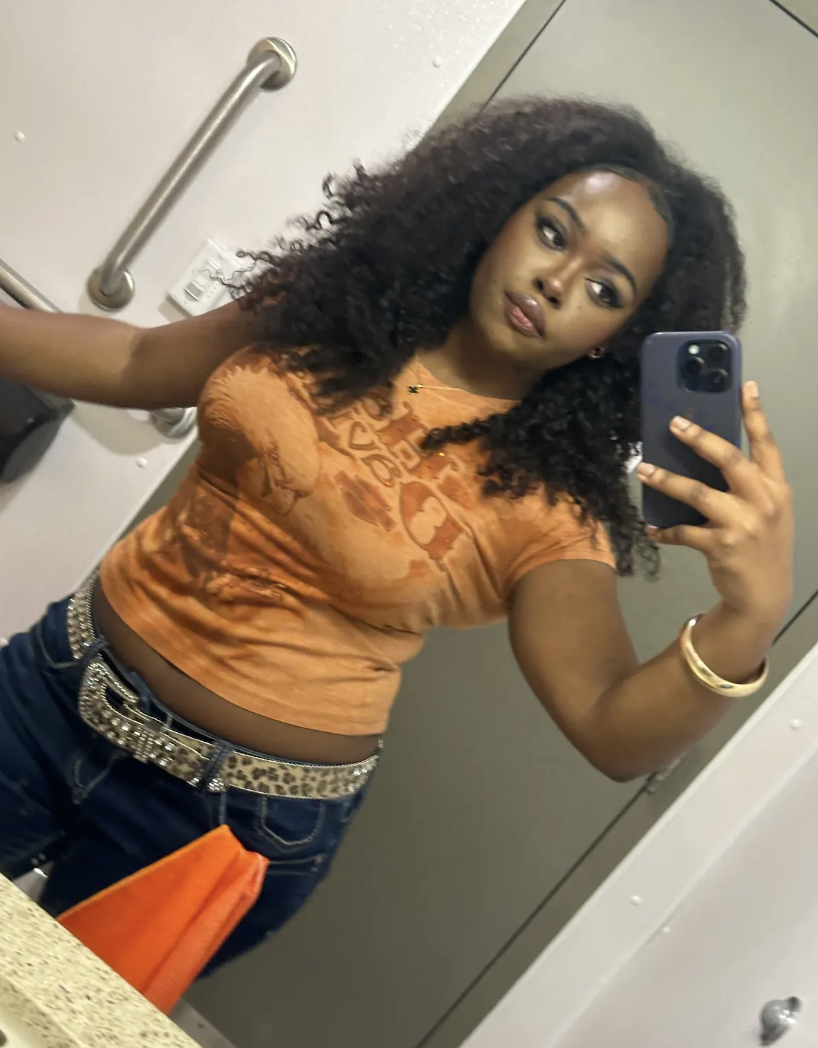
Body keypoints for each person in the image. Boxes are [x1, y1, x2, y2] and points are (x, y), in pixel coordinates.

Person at [0, 98, 793, 971]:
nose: (557, 282)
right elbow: (136, 361)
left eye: (606, 290)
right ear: (501, 212)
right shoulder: (325, 312)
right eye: (553, 232)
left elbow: (611, 726)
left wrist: (750, 615)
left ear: (617, 338)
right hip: (51, 690)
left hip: (221, 821)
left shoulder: (548, 508)